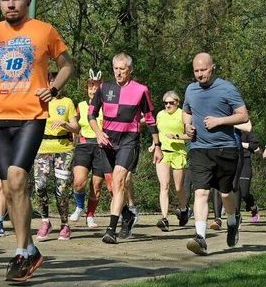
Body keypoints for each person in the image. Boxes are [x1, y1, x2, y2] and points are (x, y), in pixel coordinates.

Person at [0, 0, 75, 282]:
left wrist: (54, 88)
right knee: (12, 189)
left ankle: (20, 254)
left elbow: (67, 65)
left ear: (27, 2)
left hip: (32, 116)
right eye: (6, 0)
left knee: (17, 178)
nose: (11, 4)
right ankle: (30, 249)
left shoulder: (44, 30)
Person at [182, 52, 250, 255]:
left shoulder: (227, 88)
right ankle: (200, 238)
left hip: (225, 149)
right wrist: (187, 126)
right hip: (199, 148)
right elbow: (186, 111)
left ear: (213, 67)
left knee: (225, 193)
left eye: (203, 70)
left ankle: (232, 220)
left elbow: (243, 116)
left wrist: (219, 121)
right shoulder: (190, 89)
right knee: (200, 192)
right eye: (196, 71)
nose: (200, 74)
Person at [88, 52, 159, 244]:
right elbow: (91, 115)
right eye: (116, 69)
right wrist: (98, 133)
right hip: (107, 141)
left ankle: (111, 230)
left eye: (123, 69)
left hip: (129, 140)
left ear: (130, 70)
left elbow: (150, 118)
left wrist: (157, 144)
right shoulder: (103, 88)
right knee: (112, 187)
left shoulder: (141, 90)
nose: (118, 73)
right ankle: (127, 214)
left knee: (119, 181)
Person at [33, 86, 79, 241]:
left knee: (62, 189)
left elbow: (76, 128)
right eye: (49, 79)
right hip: (42, 149)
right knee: (40, 185)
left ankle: (65, 224)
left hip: (64, 150)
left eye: (55, 79)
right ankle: (45, 221)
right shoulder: (38, 101)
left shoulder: (67, 102)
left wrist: (64, 124)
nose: (52, 83)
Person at [71, 70, 112, 230]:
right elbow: (73, 125)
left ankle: (90, 216)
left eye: (96, 87)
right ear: (87, 89)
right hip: (83, 145)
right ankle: (79, 207)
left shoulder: (107, 106)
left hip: (101, 147)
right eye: (90, 87)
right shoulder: (80, 106)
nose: (93, 90)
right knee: (79, 182)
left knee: (96, 186)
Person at [155, 89, 190, 231]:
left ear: (177, 102)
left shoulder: (183, 114)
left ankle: (183, 209)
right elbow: (156, 132)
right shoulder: (160, 115)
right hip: (163, 153)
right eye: (165, 103)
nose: (168, 105)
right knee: (164, 186)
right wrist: (154, 145)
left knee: (178, 187)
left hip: (178, 153)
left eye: (171, 103)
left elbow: (191, 135)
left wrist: (176, 137)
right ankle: (164, 218)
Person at [237, 127, 260, 222]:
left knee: (244, 192)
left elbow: (255, 146)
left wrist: (240, 144)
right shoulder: (228, 130)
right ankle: (236, 216)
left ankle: (253, 207)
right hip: (231, 162)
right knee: (235, 191)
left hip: (245, 161)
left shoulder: (246, 132)